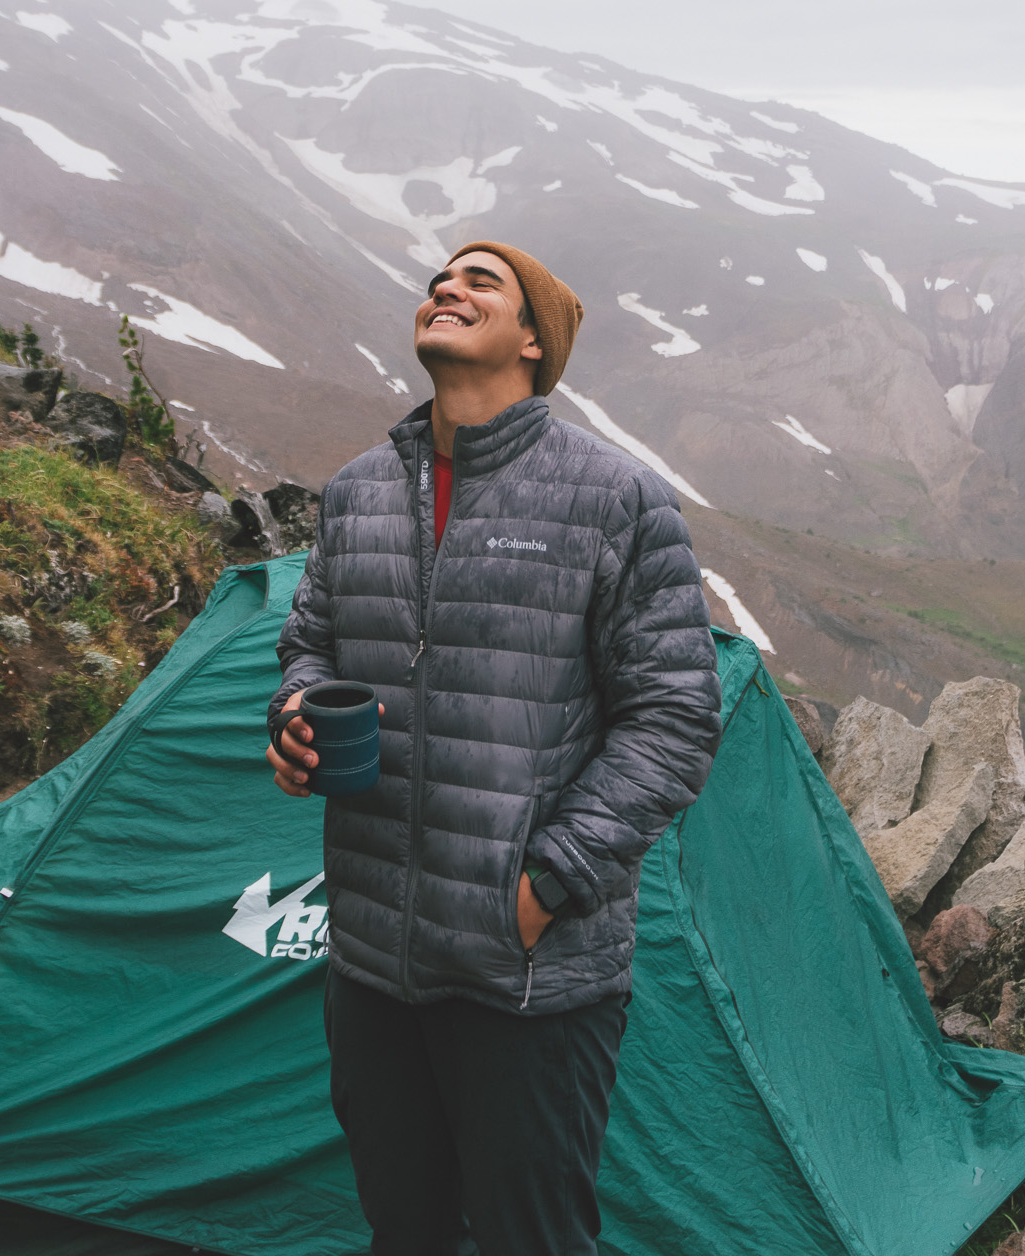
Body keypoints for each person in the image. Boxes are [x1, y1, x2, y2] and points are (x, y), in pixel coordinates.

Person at [266, 240, 721, 1256]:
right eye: (441, 276)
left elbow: (677, 717)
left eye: (482, 281)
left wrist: (547, 883)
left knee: (532, 1238)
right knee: (405, 1229)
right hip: (374, 960)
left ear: (531, 341)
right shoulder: (355, 493)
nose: (446, 286)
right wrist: (293, 719)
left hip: (531, 977)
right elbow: (308, 643)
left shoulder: (613, 499)